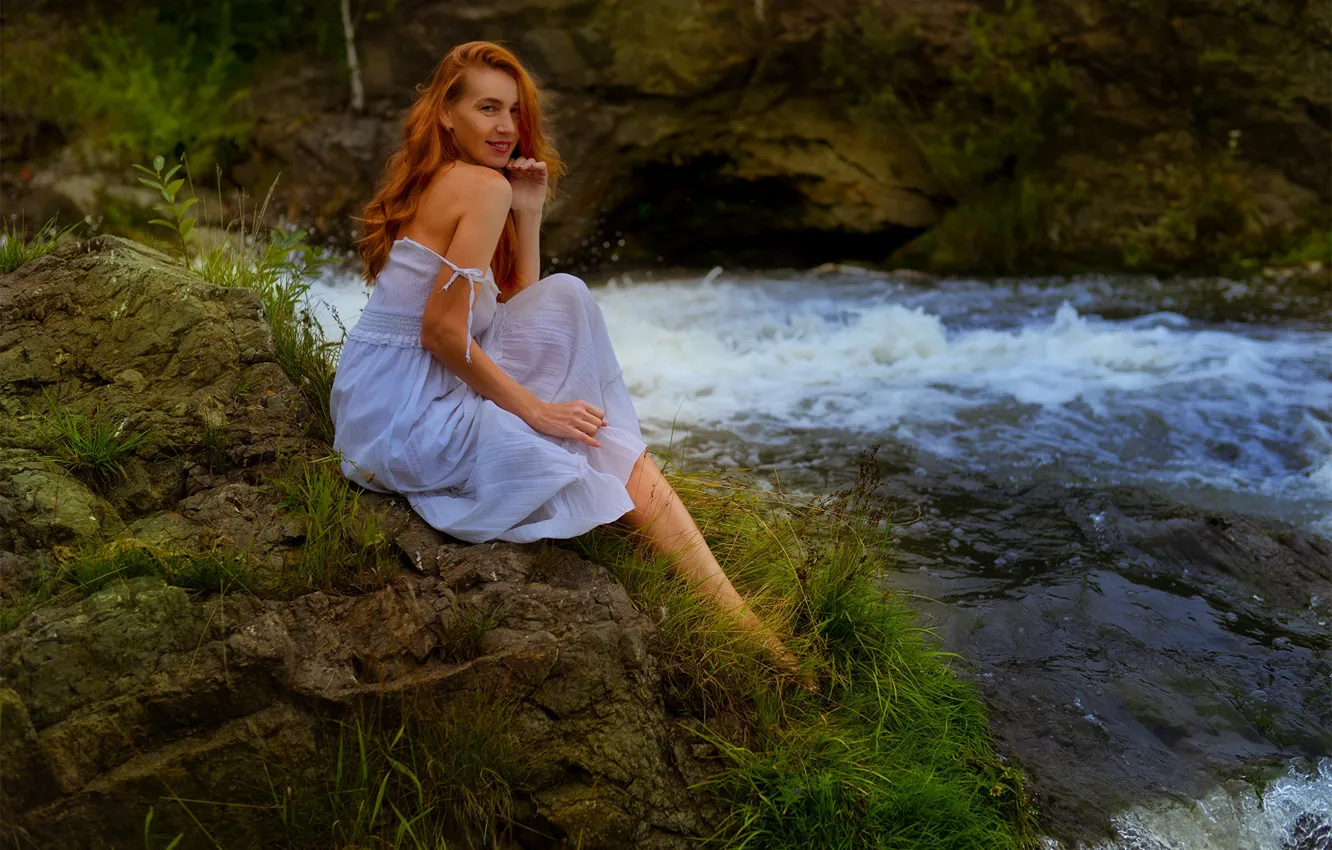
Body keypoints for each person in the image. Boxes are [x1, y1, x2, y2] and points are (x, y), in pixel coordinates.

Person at [330, 41, 815, 692]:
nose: (505, 127)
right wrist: (537, 410)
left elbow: (504, 317)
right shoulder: (477, 186)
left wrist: (528, 217)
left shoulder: (451, 181)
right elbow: (445, 333)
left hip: (376, 401)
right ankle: (744, 626)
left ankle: (738, 619)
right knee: (593, 432)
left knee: (564, 300)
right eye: (487, 108)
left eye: (514, 111)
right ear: (446, 114)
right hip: (405, 416)